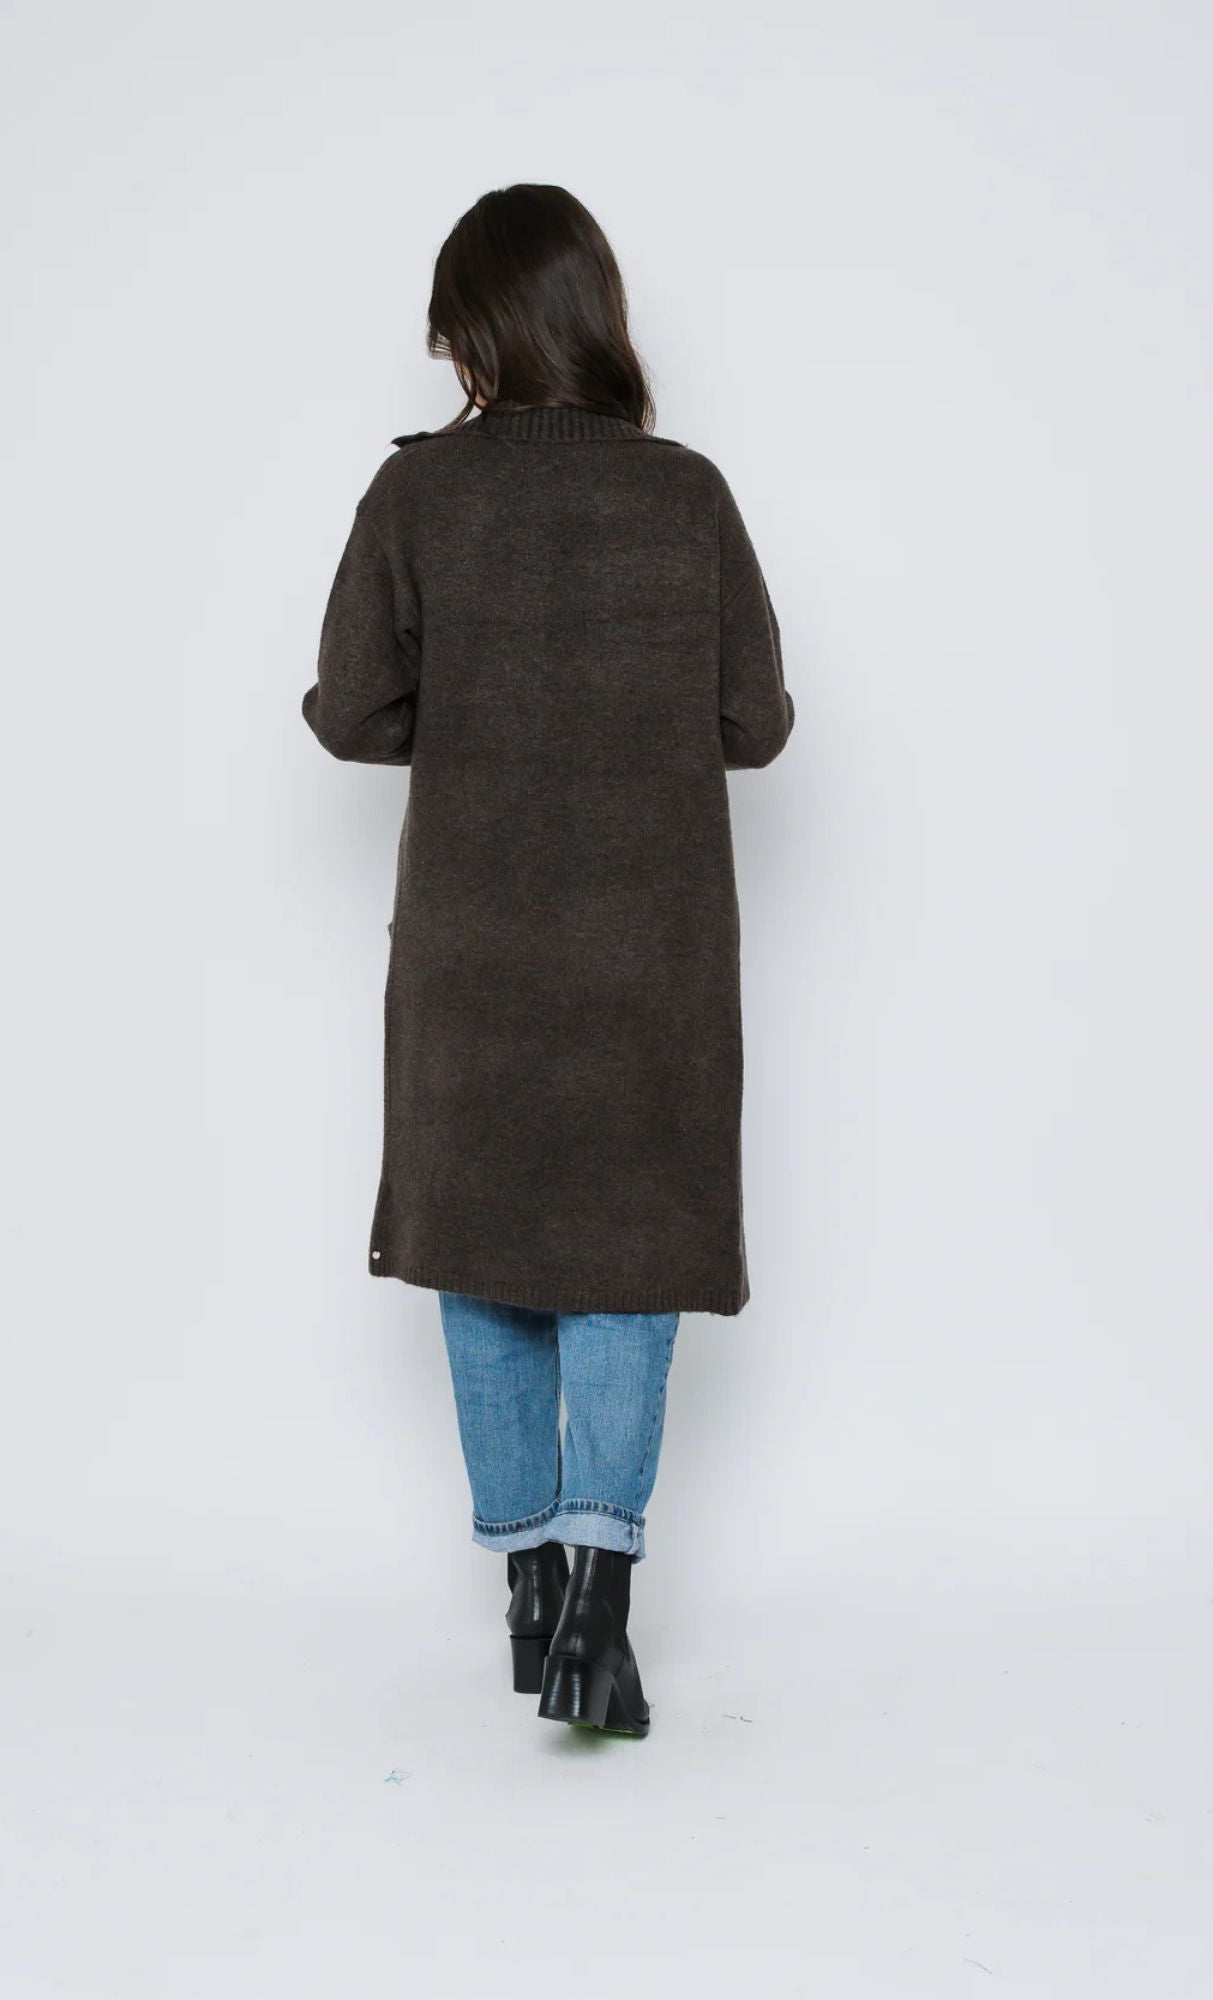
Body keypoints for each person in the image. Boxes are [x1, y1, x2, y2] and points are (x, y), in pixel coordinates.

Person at [302, 184, 794, 1738]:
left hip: (472, 942)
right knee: (627, 1253)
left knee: (485, 1244)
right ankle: (601, 1608)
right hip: (650, 946)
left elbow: (351, 713)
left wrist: (482, 709)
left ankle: (523, 1589)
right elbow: (753, 724)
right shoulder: (685, 494)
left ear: (473, 331)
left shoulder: (417, 496)